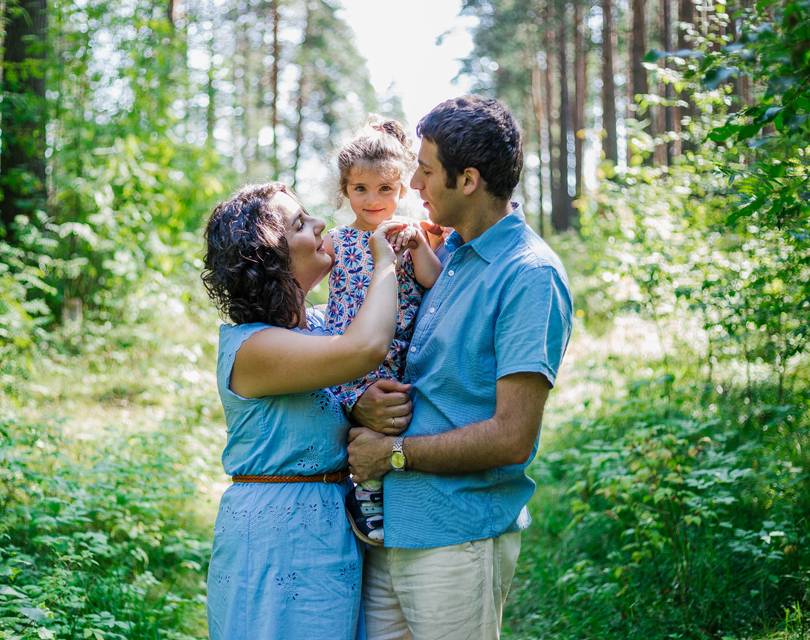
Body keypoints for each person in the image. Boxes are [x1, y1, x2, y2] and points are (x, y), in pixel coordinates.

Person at [346, 95, 574, 640]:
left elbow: (513, 436)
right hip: (391, 531)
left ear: (467, 180)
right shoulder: (449, 258)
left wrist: (392, 454)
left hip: (457, 536)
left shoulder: (528, 276)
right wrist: (363, 402)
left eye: (424, 172)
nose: (414, 185)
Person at [200, 182, 408, 640]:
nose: (320, 225)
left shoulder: (321, 326)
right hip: (272, 540)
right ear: (269, 259)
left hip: (333, 530)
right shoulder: (250, 346)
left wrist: (360, 404)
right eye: (299, 223)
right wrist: (385, 261)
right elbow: (367, 348)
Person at [326, 118, 442, 545]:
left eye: (385, 190)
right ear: (345, 190)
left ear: (402, 190)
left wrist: (419, 246)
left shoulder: (407, 233)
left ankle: (382, 495)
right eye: (360, 190)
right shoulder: (337, 241)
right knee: (358, 418)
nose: (372, 200)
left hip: (399, 351)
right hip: (351, 349)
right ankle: (365, 495)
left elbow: (433, 279)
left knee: (391, 418)